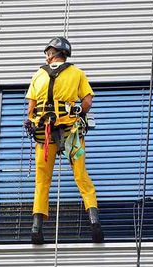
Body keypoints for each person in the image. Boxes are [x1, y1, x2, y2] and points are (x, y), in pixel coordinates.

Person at [25, 36, 104, 244]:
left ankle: (36, 227)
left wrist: (32, 123)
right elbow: (87, 101)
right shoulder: (77, 73)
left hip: (45, 134)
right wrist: (80, 113)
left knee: (42, 181)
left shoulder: (38, 75)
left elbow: (31, 109)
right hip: (71, 132)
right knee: (81, 176)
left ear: (52, 53)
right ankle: (94, 220)